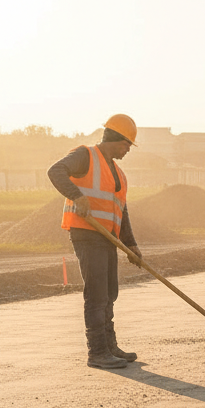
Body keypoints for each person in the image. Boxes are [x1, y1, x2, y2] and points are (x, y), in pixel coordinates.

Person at [48, 113, 143, 369]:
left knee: (110, 292)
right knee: (97, 294)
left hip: (107, 237)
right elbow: (55, 171)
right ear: (117, 139)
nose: (127, 151)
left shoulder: (119, 174)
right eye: (127, 145)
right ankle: (97, 352)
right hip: (87, 234)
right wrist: (76, 196)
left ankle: (110, 346)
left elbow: (122, 211)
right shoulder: (85, 155)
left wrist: (131, 244)